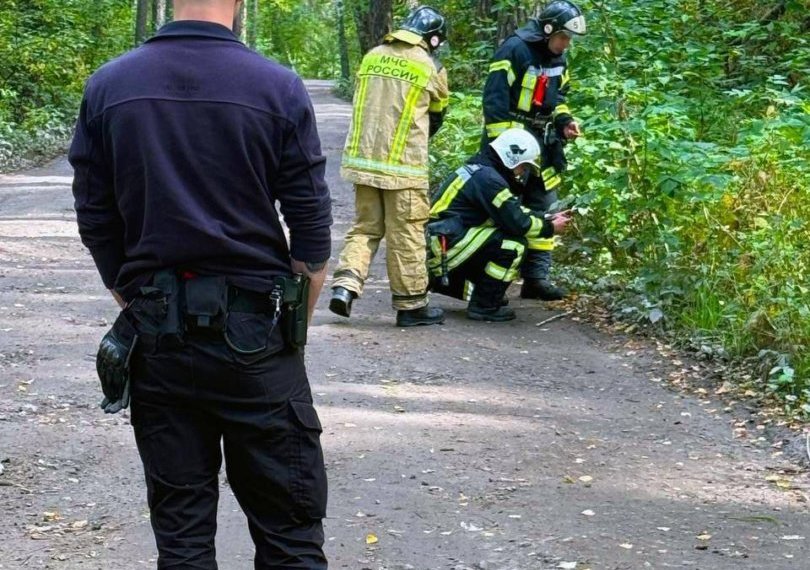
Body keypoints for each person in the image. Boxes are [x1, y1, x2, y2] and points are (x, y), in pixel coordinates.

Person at [68, 1, 331, 568]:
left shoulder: (109, 86)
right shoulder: (277, 87)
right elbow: (311, 233)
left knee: (182, 540)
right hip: (257, 337)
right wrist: (291, 325)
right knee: (290, 535)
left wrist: (134, 297)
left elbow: (95, 215)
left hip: (158, 337)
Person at [329, 5, 450, 327]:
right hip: (404, 169)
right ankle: (411, 306)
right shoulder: (431, 66)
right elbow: (437, 116)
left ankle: (345, 286)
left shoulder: (373, 56)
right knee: (406, 233)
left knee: (365, 228)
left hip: (364, 162)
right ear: (433, 38)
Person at [481, 0, 586, 300]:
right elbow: (494, 100)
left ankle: (536, 279)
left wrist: (565, 122)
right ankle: (491, 283)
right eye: (563, 37)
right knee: (505, 208)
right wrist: (504, 152)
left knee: (545, 204)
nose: (566, 44)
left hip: (543, 142)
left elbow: (559, 97)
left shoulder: (559, 59)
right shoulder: (514, 49)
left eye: (569, 39)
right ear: (548, 30)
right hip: (510, 143)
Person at [428, 128, 571, 321]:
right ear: (512, 158)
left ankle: (482, 294)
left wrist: (546, 217)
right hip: (445, 248)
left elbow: (511, 211)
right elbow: (517, 223)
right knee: (513, 245)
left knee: (500, 241)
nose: (523, 172)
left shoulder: (482, 172)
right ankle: (484, 306)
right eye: (523, 166)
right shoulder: (489, 180)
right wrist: (550, 228)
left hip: (444, 243)